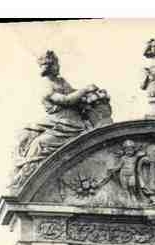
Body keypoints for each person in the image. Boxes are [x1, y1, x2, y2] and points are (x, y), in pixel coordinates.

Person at [12, 51, 100, 187]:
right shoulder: (46, 86)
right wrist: (85, 90)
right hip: (61, 121)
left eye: (57, 63)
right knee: (39, 143)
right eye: (55, 63)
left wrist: (86, 94)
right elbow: (66, 100)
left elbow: (72, 93)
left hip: (72, 122)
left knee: (39, 143)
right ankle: (25, 177)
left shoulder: (61, 81)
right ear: (48, 66)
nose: (58, 66)